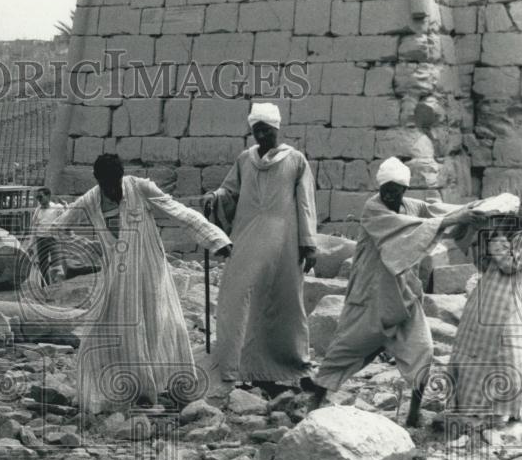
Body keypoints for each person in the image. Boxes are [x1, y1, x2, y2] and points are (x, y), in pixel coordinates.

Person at [306, 157, 485, 427]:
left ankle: (413, 414)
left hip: (403, 296)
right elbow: (411, 227)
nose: (390, 194)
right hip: (371, 295)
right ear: (380, 187)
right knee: (345, 349)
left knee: (422, 350)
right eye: (386, 188)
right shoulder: (373, 208)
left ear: (404, 189)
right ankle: (316, 398)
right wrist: (456, 217)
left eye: (396, 189)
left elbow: (435, 211)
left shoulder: (411, 205)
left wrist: (472, 208)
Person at [49, 154, 231, 414]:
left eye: (116, 183)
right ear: (99, 181)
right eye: (107, 184)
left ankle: (161, 389)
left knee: (156, 325)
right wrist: (87, 250)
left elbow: (178, 211)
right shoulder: (90, 200)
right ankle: (112, 391)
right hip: (117, 278)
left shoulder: (140, 187)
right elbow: (58, 228)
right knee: (105, 331)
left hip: (149, 270)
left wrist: (216, 239)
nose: (114, 190)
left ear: (122, 177)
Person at [204, 102, 318, 386]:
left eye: (266, 130)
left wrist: (309, 243)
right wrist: (216, 197)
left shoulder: (296, 161)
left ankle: (284, 364)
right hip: (246, 236)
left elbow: (305, 204)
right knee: (237, 295)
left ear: (276, 129)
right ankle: (235, 365)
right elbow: (230, 190)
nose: (261, 136)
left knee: (280, 300)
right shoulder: (245, 159)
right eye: (256, 131)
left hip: (284, 242)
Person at [449, 183, 522, 427]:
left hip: (506, 298)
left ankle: (499, 411)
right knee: (472, 345)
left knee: (503, 352)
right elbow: (485, 265)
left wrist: (495, 235)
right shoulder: (510, 225)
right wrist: (481, 232)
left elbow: (510, 265)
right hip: (485, 292)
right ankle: (469, 404)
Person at [29, 186, 67, 288]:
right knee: (43, 265)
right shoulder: (37, 210)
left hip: (53, 239)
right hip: (40, 239)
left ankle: (58, 287)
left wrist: (65, 206)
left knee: (57, 264)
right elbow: (34, 228)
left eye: (41, 197)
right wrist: (30, 245)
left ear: (48, 196)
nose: (39, 200)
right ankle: (45, 287)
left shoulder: (58, 208)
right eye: (37, 198)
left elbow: (67, 216)